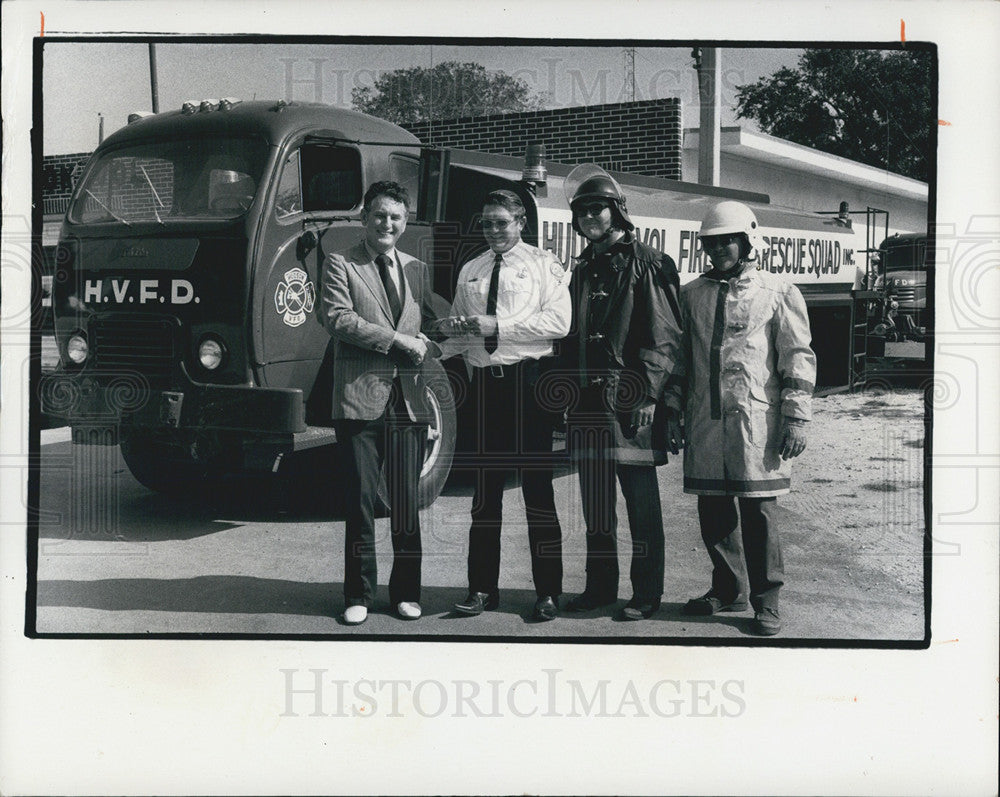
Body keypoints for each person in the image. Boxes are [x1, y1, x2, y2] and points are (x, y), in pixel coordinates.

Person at [669, 200, 816, 636]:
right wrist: (674, 410)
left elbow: (798, 357)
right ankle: (727, 589)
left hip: (757, 422)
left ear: (748, 241)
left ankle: (767, 601)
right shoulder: (691, 294)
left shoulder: (778, 291)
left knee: (759, 512)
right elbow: (681, 359)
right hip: (706, 419)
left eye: (728, 241)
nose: (719, 250)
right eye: (712, 243)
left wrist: (796, 417)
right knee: (713, 509)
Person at [557, 165, 683, 620]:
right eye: (584, 210)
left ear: (618, 212)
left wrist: (650, 395)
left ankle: (647, 594)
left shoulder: (648, 262)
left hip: (630, 400)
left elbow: (664, 336)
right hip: (588, 403)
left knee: (642, 506)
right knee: (596, 506)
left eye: (599, 208)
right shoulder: (583, 267)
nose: (591, 216)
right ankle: (599, 589)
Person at [441, 189, 571, 622]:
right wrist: (435, 341)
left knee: (537, 492)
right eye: (487, 223)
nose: (494, 230)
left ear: (521, 222)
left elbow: (558, 323)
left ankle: (548, 592)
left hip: (528, 387)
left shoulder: (544, 265)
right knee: (485, 495)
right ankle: (481, 589)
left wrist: (499, 324)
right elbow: (463, 332)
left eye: (502, 222)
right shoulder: (472, 269)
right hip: (486, 390)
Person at [320, 180, 443, 625]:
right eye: (378, 215)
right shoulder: (341, 263)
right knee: (360, 502)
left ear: (405, 222)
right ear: (364, 219)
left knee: (407, 504)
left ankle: (407, 593)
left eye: (395, 216)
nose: (386, 223)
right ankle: (359, 595)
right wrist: (398, 341)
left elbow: (430, 321)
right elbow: (337, 318)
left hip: (409, 402)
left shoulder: (415, 267)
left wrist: (432, 340)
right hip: (360, 400)